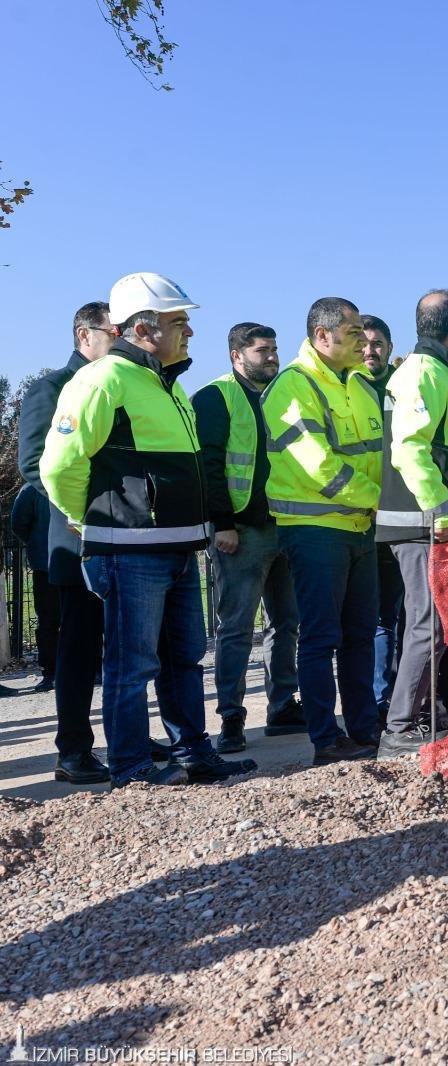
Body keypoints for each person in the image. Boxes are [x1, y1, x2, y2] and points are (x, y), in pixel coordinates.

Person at [41, 272, 256, 788]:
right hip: (129, 550)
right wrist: (88, 520)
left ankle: (193, 754)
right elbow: (58, 465)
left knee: (184, 659)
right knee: (132, 664)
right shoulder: (102, 380)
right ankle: (132, 767)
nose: (190, 331)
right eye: (178, 321)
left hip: (177, 547)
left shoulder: (168, 385)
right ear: (142, 329)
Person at [261, 296, 384, 764]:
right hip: (315, 529)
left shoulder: (361, 384)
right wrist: (380, 499)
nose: (363, 343)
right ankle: (326, 741)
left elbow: (379, 453)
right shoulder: (293, 385)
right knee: (319, 637)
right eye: (353, 334)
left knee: (360, 634)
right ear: (322, 336)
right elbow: (318, 465)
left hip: (360, 527)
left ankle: (365, 731)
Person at [18, 302, 124, 783]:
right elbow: (35, 464)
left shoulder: (123, 385)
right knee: (79, 651)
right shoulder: (51, 388)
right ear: (85, 335)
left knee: (126, 647)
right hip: (78, 538)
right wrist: (87, 511)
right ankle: (74, 750)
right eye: (114, 332)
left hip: (127, 539)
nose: (122, 340)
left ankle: (127, 736)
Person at [192, 322, 304, 754]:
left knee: (286, 623)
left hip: (286, 525)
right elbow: (209, 465)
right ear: (237, 355)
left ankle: (282, 706)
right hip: (241, 532)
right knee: (236, 627)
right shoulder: (216, 397)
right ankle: (231, 717)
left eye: (274, 349)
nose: (272, 356)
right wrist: (221, 523)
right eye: (262, 350)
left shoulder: (283, 396)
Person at [375, 290, 448, 758]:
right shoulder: (424, 373)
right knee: (427, 625)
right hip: (423, 524)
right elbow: (410, 447)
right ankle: (400, 728)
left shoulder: (433, 373)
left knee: (432, 624)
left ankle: (416, 720)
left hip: (428, 522)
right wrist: (440, 509)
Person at [360, 315, 405, 722]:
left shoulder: (402, 385)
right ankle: (376, 699)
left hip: (402, 516)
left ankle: (398, 697)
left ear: (390, 347)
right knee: (372, 618)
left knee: (401, 613)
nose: (370, 350)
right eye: (363, 343)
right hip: (359, 517)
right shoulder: (346, 388)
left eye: (377, 343)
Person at [10, 484, 57, 693]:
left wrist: (36, 543)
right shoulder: (33, 489)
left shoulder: (32, 488)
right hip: (57, 562)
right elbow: (19, 523)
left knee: (49, 621)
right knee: (55, 620)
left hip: (46, 561)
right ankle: (55, 671)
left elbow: (19, 524)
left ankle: (51, 672)